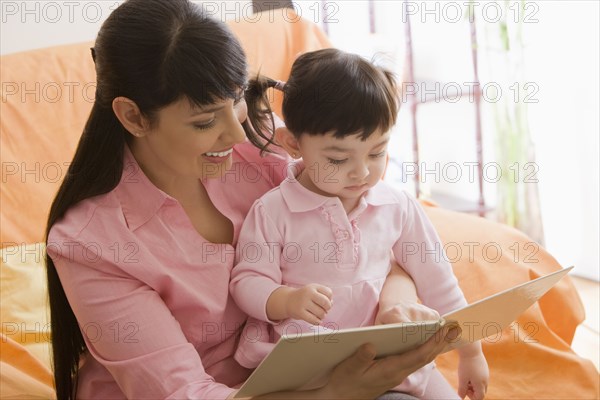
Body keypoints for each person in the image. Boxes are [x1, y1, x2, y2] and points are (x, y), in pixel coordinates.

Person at [44, 0, 459, 399]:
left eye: (238, 100)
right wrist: (337, 393)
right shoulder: (91, 243)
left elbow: (377, 238)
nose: (239, 135)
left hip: (313, 376)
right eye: (205, 120)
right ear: (133, 116)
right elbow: (184, 394)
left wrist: (396, 305)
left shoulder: (262, 141)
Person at [229, 48, 489, 400]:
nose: (362, 172)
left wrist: (471, 353)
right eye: (338, 158)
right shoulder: (274, 210)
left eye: (377, 152)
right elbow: (247, 280)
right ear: (293, 144)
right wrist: (284, 300)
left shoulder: (396, 205)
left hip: (391, 360)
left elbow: (438, 280)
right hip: (312, 375)